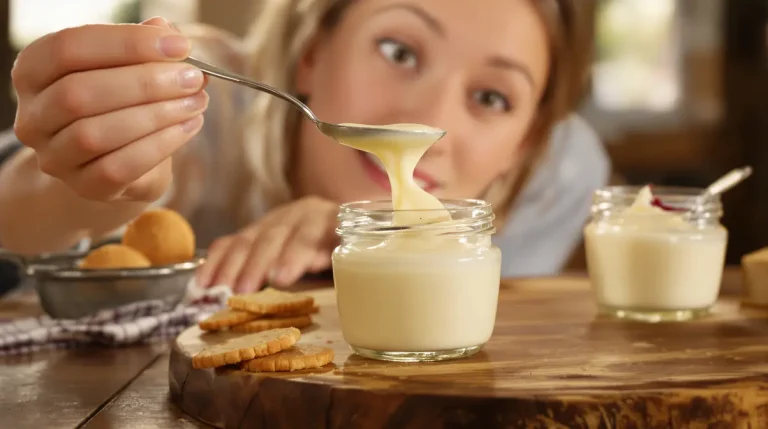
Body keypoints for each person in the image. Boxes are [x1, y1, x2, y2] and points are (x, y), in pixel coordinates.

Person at [0, 0, 609, 293]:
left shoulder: (558, 175)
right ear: (312, 55)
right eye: (399, 52)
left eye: (492, 98)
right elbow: (15, 212)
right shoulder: (209, 97)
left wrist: (362, 240)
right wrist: (101, 181)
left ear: (524, 141)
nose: (428, 124)